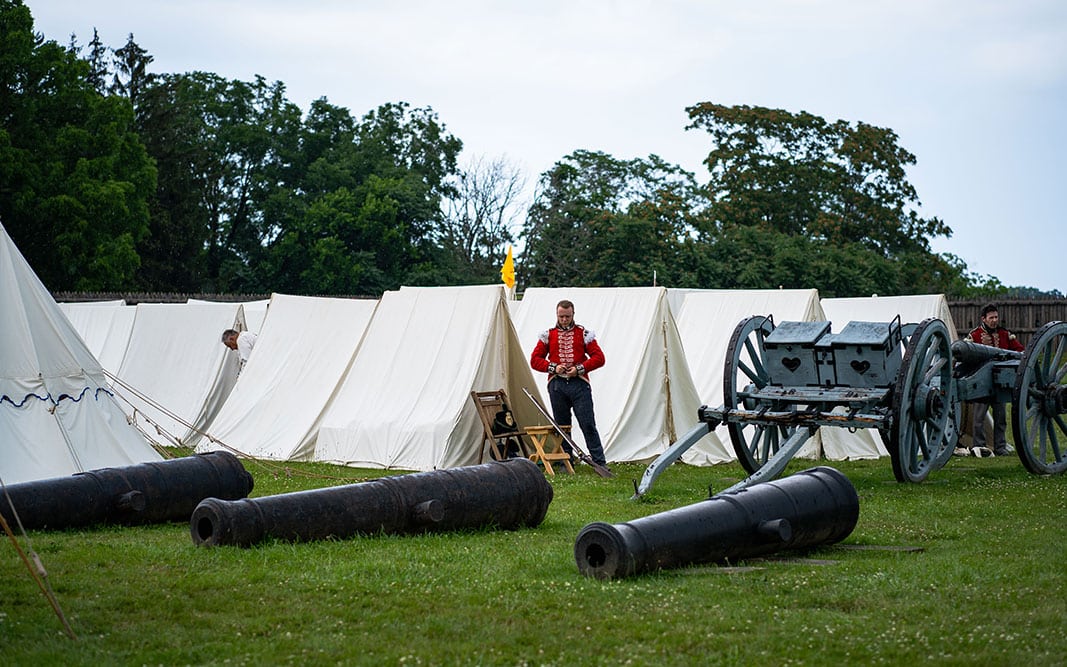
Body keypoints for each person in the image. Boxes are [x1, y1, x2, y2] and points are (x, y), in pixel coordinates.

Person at [529, 299, 608, 468]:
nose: (564, 319)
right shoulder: (548, 335)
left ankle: (599, 461)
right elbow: (535, 360)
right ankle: (566, 461)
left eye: (567, 316)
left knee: (587, 423)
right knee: (562, 426)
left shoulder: (584, 333)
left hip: (579, 385)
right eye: (561, 316)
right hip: (557, 385)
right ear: (556, 315)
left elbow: (599, 358)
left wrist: (579, 368)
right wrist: (553, 367)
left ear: (573, 314)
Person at [964, 304, 1024, 457]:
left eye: (996, 317)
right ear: (983, 319)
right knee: (979, 419)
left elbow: (1019, 351)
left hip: (1000, 382)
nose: (994, 320)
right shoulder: (975, 335)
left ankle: (1000, 447)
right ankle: (980, 447)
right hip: (982, 382)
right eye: (991, 318)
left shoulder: (1005, 335)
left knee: (1000, 418)